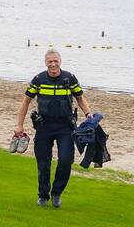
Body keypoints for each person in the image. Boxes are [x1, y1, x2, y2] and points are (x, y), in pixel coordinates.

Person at [14, 49, 93, 209]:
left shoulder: (69, 78)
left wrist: (88, 113)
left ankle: (56, 194)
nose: (53, 64)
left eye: (56, 61)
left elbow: (80, 98)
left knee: (65, 160)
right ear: (46, 63)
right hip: (44, 126)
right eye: (50, 61)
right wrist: (19, 125)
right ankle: (43, 195)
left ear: (60, 61)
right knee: (43, 163)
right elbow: (26, 102)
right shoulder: (39, 79)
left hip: (65, 126)